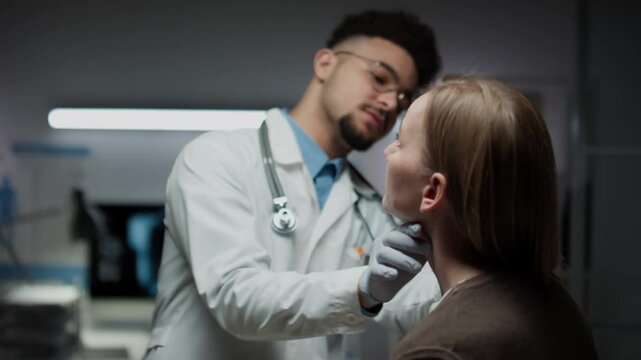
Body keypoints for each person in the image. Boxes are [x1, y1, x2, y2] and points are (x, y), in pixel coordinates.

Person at [144, 10, 442, 360]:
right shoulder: (215, 158)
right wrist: (362, 288)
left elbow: (418, 304)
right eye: (379, 77)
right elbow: (236, 297)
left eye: (403, 98)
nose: (391, 103)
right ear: (325, 64)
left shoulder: (374, 212)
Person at [384, 75, 599, 359]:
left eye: (400, 142)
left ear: (433, 190)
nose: (388, 151)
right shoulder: (555, 302)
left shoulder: (438, 349)